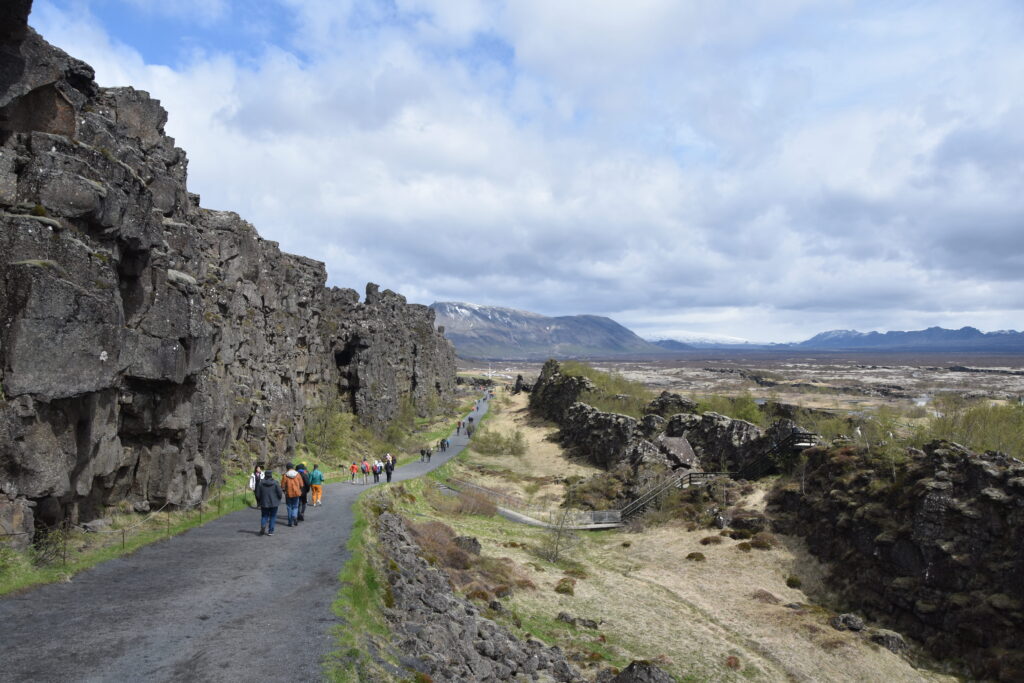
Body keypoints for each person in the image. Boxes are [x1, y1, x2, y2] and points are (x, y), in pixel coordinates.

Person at [257, 470, 282, 536]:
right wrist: (279, 499)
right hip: (274, 502)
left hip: (264, 502)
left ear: (265, 475)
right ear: (271, 475)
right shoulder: (275, 483)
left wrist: (260, 501)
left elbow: (258, 494)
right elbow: (280, 493)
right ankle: (271, 531)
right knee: (273, 517)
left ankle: (263, 526)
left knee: (264, 516)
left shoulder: (261, 483)